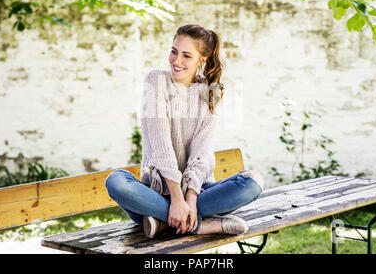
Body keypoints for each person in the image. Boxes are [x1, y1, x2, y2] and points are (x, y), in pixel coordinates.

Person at [105, 24, 264, 238]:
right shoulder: (155, 81)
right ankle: (200, 225)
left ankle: (163, 222)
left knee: (253, 182)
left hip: (197, 194)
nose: (176, 61)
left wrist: (189, 198)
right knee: (116, 181)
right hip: (153, 194)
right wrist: (176, 200)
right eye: (174, 51)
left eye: (186, 56)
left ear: (202, 60)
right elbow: (160, 145)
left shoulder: (212, 91)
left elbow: (202, 150)